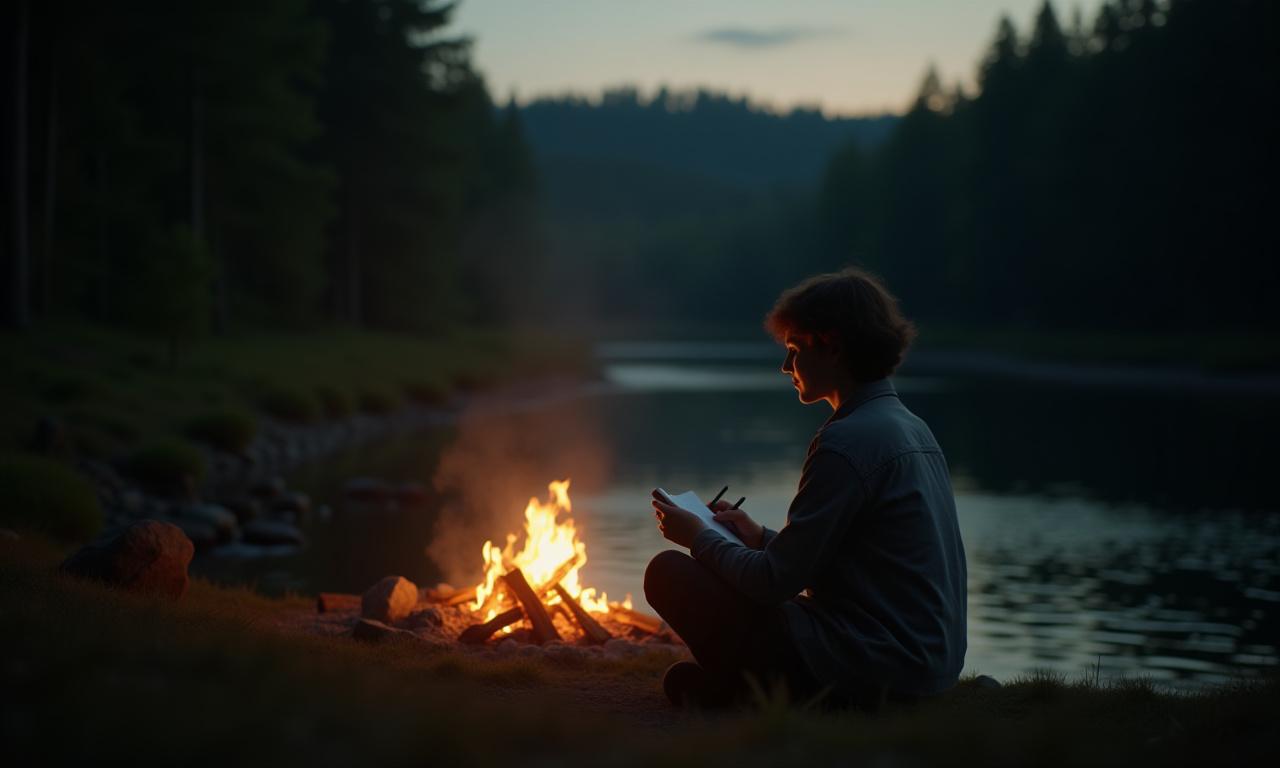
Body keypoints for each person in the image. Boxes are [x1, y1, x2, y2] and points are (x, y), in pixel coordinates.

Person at [645, 267, 967, 710]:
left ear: (831, 346)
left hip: (879, 669)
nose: (785, 366)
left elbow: (772, 583)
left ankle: (756, 697)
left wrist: (697, 537)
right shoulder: (912, 428)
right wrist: (758, 537)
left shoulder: (846, 441)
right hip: (925, 669)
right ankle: (738, 689)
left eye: (794, 350)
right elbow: (847, 564)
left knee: (669, 573)